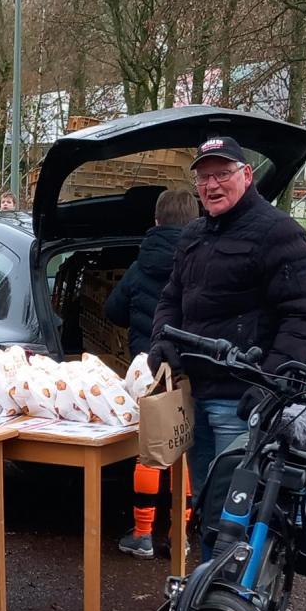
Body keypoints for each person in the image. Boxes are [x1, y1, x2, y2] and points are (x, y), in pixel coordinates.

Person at [148, 136, 306, 556]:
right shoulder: (193, 235)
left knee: (232, 517)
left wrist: (271, 382)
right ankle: (211, 586)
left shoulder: (277, 231)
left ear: (246, 175)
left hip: (241, 398)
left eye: (222, 174)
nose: (212, 185)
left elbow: (301, 314)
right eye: (204, 177)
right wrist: (162, 340)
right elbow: (170, 298)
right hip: (197, 394)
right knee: (207, 504)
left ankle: (229, 593)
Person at [106, 186, 199, 558]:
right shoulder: (201, 263)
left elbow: (113, 310)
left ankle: (142, 533)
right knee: (182, 447)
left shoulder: (140, 265)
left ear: (156, 220)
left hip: (148, 368)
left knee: (150, 451)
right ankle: (180, 537)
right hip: (189, 369)